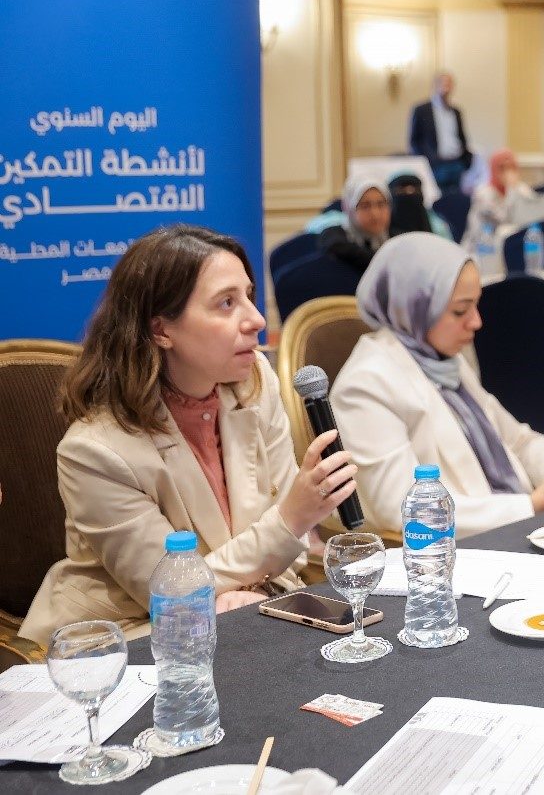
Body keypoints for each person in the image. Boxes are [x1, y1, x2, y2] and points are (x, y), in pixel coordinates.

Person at [19, 226, 357, 646]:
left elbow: (285, 558)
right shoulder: (95, 451)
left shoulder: (257, 383)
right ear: (161, 330)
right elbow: (175, 592)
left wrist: (248, 592)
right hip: (129, 640)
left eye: (249, 296)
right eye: (227, 303)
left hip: (253, 612)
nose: (256, 319)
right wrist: (293, 518)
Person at [331, 232, 544, 537]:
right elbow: (400, 509)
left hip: (508, 531)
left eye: (476, 305)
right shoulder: (366, 385)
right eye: (460, 310)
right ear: (414, 307)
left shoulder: (442, 360)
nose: (476, 322)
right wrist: (530, 505)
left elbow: (517, 440)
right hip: (447, 556)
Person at [408, 71, 474, 191]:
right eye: (443, 84)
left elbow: (461, 137)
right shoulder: (422, 110)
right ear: (435, 85)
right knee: (436, 199)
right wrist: (425, 162)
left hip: (456, 164)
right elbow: (414, 140)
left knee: (455, 201)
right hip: (435, 165)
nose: (446, 88)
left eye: (449, 84)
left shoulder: (456, 112)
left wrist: (465, 161)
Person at [463, 149, 537, 248]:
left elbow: (533, 212)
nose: (508, 172)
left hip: (510, 246)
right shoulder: (483, 193)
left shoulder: (521, 189)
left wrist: (515, 189)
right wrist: (511, 189)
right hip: (481, 248)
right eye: (502, 168)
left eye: (512, 167)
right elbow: (503, 219)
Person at [317, 176, 391, 273]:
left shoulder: (396, 237)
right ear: (349, 208)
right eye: (365, 206)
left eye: (381, 204)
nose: (375, 214)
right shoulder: (333, 238)